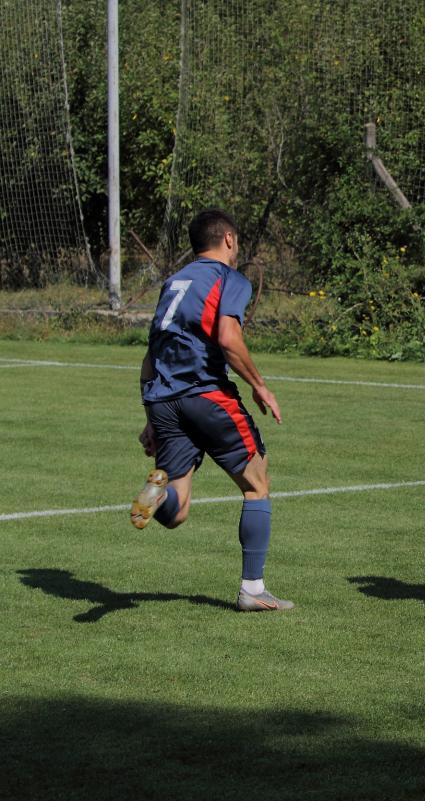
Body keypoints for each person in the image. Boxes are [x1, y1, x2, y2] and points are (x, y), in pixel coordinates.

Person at [130, 208, 290, 612]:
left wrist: (151, 416)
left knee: (178, 509)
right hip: (206, 394)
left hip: (163, 399)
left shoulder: (174, 282)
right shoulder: (228, 278)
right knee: (257, 483)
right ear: (229, 239)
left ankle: (159, 495)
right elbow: (228, 338)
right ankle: (252, 590)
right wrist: (260, 386)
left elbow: (151, 353)